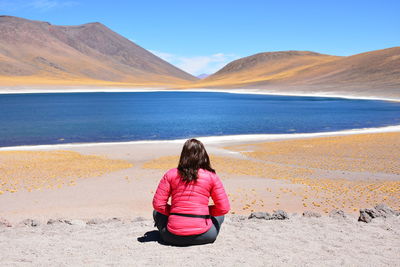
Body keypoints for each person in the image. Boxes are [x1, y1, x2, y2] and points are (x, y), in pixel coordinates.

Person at [152, 138, 230, 246]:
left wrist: (175, 212)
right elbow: (223, 208)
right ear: (203, 155)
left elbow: (158, 204)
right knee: (220, 215)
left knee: (156, 212)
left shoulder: (170, 174)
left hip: (171, 236)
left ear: (183, 155)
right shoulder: (211, 176)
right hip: (206, 236)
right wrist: (204, 212)